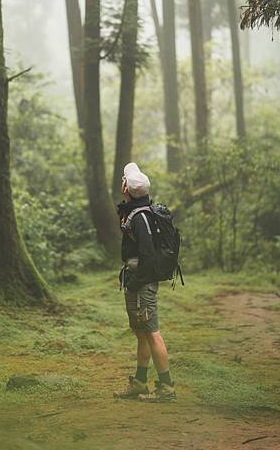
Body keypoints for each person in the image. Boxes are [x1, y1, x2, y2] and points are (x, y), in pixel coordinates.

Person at [113, 162, 176, 403]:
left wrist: (134, 283)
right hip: (138, 281)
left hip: (142, 284)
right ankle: (140, 383)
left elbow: (148, 257)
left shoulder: (140, 217)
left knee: (152, 332)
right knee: (142, 333)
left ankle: (167, 388)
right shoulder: (137, 211)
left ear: (126, 188)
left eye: (124, 181)